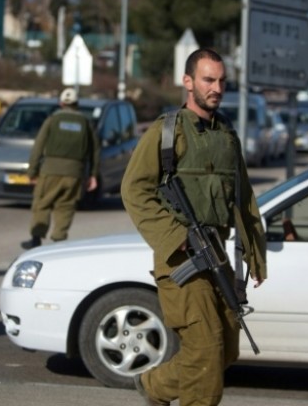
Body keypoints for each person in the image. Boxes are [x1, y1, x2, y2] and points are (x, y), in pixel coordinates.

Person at [120, 48, 267, 406]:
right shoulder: (167, 131)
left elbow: (243, 198)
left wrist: (255, 254)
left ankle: (155, 386)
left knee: (225, 350)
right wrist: (175, 236)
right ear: (188, 82)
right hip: (181, 261)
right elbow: (134, 189)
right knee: (205, 348)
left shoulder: (227, 135)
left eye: (221, 81)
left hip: (216, 253)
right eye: (208, 80)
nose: (216, 88)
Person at [20, 88, 100, 250]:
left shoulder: (52, 120)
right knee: (66, 206)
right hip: (74, 173)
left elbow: (38, 146)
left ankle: (36, 238)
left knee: (42, 203)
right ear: (77, 104)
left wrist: (32, 171)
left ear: (61, 103)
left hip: (50, 170)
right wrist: (93, 174)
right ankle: (59, 240)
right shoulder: (86, 123)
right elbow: (95, 150)